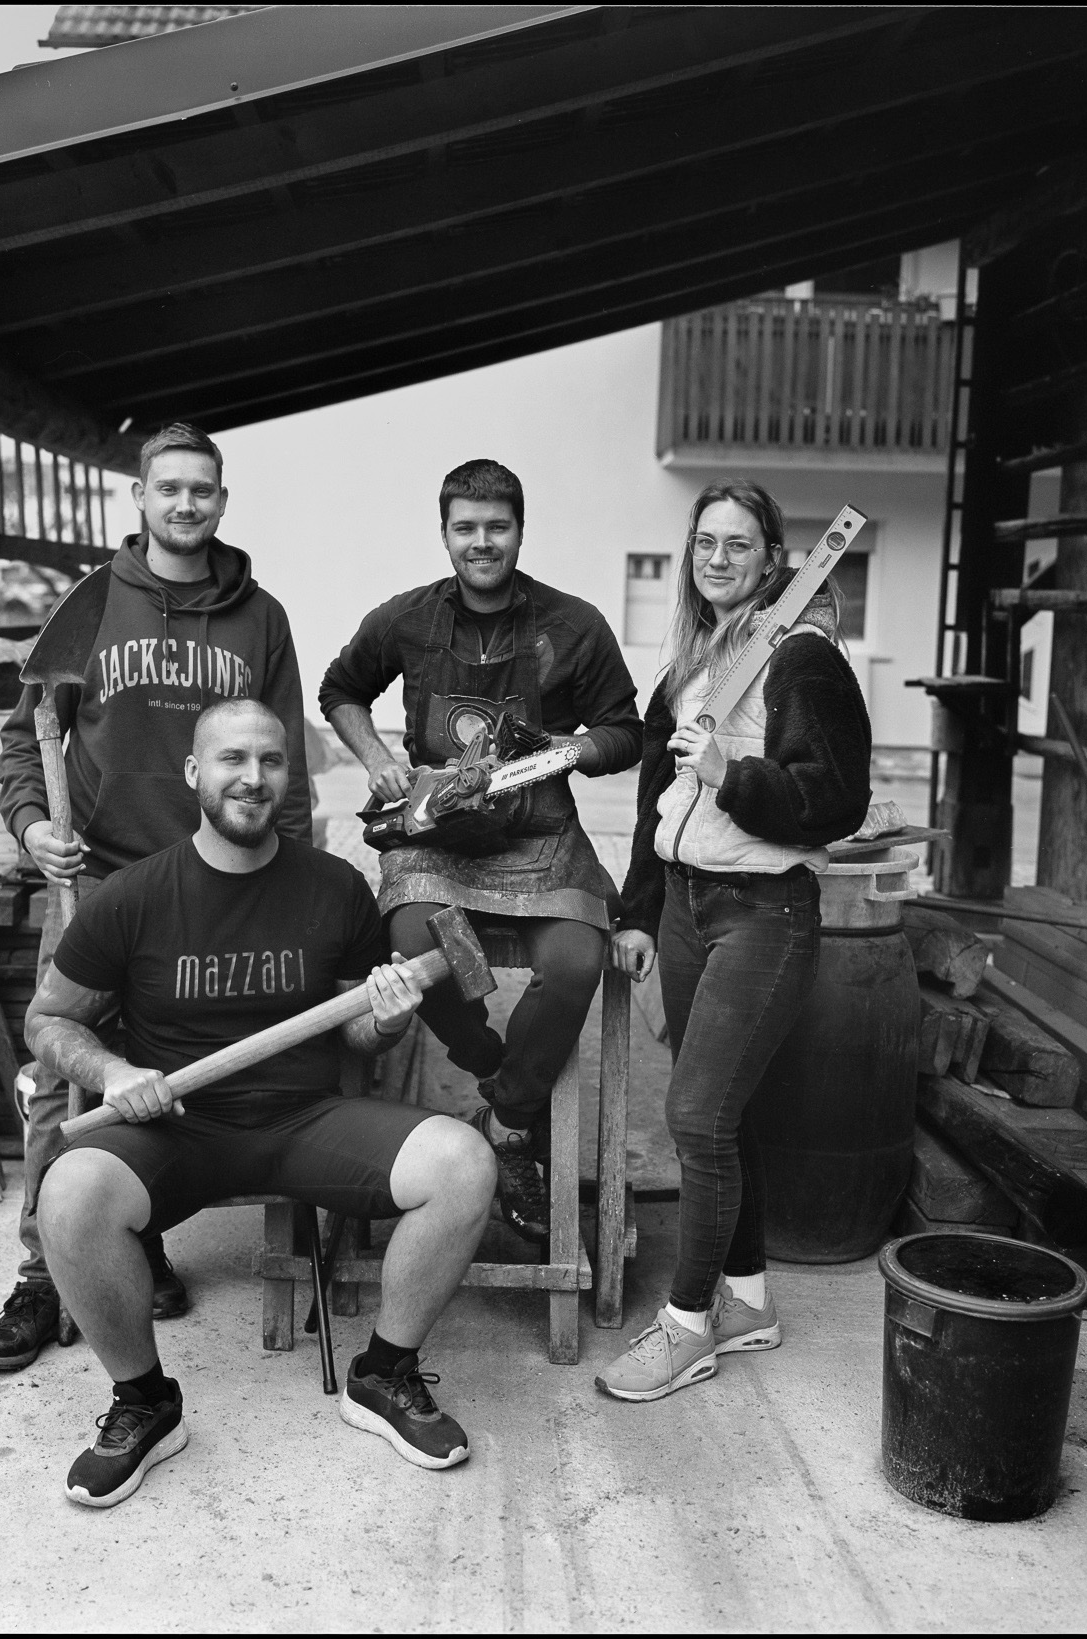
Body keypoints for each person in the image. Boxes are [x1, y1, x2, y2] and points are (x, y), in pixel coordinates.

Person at [27, 699, 497, 1506]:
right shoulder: (133, 896)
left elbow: (358, 1037)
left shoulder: (333, 886)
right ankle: (145, 1403)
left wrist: (385, 1019)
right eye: (233, 758)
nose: (253, 777)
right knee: (67, 1193)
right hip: (177, 1127)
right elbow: (47, 1020)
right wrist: (111, 1071)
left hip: (304, 1120)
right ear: (194, 772)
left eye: (271, 760)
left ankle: (382, 1376)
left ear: (289, 774)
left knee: (464, 1162)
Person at [0, 421, 314, 1373]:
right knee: (63, 1072)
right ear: (140, 497)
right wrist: (32, 827)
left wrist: (291, 883)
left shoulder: (261, 619)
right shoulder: (90, 605)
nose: (185, 503)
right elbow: (25, 738)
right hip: (99, 879)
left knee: (172, 1069)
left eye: (202, 489)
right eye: (169, 487)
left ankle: (137, 1232)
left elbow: (285, 761)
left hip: (213, 882)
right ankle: (44, 1270)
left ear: (222, 500)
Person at [319, 459, 641, 1245]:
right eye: (466, 527)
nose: (482, 542)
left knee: (575, 961)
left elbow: (627, 730)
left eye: (497, 526)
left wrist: (573, 749)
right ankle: (491, 1060)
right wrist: (376, 759)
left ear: (520, 531)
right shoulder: (405, 619)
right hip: (438, 842)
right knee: (417, 941)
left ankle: (509, 1120)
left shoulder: (575, 624)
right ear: (445, 533)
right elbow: (339, 689)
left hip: (541, 838)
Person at [596, 481, 870, 1402]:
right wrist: (639, 910)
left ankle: (688, 1325)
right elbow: (655, 800)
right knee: (727, 1112)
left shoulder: (802, 658)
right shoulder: (696, 662)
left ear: (773, 558)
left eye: (739, 545)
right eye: (705, 542)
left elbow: (838, 800)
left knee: (697, 1117)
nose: (718, 559)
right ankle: (747, 1300)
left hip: (764, 912)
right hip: (686, 906)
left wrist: (732, 772)